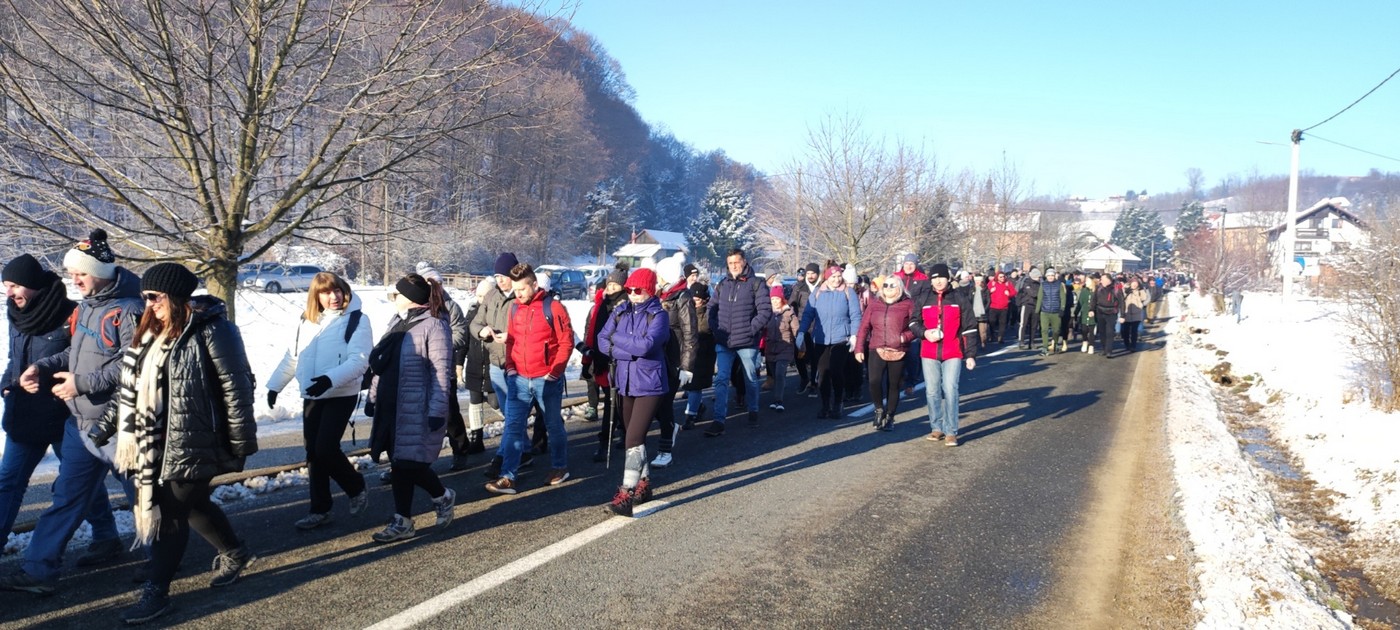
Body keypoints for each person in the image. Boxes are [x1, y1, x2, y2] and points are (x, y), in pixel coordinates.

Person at [89, 263, 258, 624]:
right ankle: (235, 551)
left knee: (169, 513)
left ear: (177, 296)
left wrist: (241, 442)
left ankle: (157, 592)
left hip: (196, 439)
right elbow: (128, 388)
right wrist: (103, 428)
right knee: (193, 506)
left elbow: (236, 386)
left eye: (155, 297)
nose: (149, 304)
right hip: (154, 442)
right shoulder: (150, 333)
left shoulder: (213, 330)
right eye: (145, 297)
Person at [2, 231, 143, 595]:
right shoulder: (89, 306)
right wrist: (38, 369)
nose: (74, 280)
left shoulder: (130, 310)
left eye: (80, 273)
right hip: (80, 422)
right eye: (71, 273)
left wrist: (82, 384)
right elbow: (72, 355)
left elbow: (136, 366)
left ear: (98, 270)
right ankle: (38, 570)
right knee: (66, 496)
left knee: (142, 494)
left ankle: (161, 560)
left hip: (117, 422)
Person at [265, 272, 371, 530]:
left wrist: (330, 379)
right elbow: (293, 356)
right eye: (326, 292)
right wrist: (275, 385)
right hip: (313, 393)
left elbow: (359, 361)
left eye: (337, 291)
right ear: (316, 296)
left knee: (325, 448)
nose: (333, 297)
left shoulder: (357, 319)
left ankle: (355, 486)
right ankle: (320, 509)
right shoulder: (307, 320)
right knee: (313, 453)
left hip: (341, 393)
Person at [364, 274, 455, 543]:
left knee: (407, 464)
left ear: (411, 298)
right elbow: (382, 366)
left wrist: (437, 411)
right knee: (399, 464)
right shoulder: (398, 322)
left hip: (415, 407)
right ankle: (420, 509)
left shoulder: (434, 326)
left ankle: (429, 504)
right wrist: (373, 397)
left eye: (398, 294)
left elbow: (441, 372)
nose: (394, 298)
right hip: (391, 406)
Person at [0, 255, 81, 543]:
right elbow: (14, 358)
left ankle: (106, 536)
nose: (8, 293)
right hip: (24, 412)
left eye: (14, 286)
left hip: (65, 413)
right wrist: (7, 385)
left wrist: (47, 373)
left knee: (76, 483)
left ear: (32, 284)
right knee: (8, 482)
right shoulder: (15, 314)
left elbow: (83, 358)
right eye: (6, 286)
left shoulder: (70, 313)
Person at [485, 263, 574, 494]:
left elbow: (566, 342)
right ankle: (508, 477)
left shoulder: (553, 308)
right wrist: (511, 369)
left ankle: (559, 467)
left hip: (547, 379)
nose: (518, 294)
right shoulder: (515, 308)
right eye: (515, 290)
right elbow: (512, 340)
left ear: (534, 285)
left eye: (522, 289)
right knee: (513, 427)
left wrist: (554, 372)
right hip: (519, 379)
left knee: (553, 425)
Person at [597, 268, 670, 517]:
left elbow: (648, 346)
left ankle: (626, 494)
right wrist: (626, 347)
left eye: (637, 290)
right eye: (629, 290)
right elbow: (602, 339)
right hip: (625, 381)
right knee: (633, 436)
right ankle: (644, 483)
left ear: (649, 291)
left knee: (633, 438)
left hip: (650, 384)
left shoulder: (658, 315)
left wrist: (618, 342)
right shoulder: (620, 311)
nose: (632, 294)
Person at [469, 252, 535, 478]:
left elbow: (532, 329)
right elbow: (476, 322)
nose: (500, 280)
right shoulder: (491, 297)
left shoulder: (521, 297)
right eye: (496, 276)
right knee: (510, 415)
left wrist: (512, 336)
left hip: (517, 364)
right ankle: (524, 451)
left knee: (515, 415)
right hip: (496, 364)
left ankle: (502, 458)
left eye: (503, 275)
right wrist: (482, 331)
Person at [704, 249, 772, 437]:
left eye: (737, 262)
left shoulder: (756, 283)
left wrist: (750, 330)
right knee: (721, 379)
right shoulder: (722, 284)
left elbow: (765, 311)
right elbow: (711, 309)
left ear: (744, 262)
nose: (734, 266)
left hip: (747, 342)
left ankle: (753, 411)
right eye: (730, 263)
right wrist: (716, 329)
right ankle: (719, 420)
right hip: (724, 341)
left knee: (750, 378)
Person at [416, 262, 476, 471]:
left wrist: (441, 345)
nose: (437, 287)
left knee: (449, 414)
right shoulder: (415, 306)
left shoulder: (450, 306)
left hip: (444, 370)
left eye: (439, 283)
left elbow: (461, 332)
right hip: (420, 371)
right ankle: (419, 460)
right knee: (420, 418)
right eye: (432, 283)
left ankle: (460, 449)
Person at [911, 264, 979, 447]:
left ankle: (951, 431)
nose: (938, 281)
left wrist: (970, 355)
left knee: (950, 389)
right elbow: (913, 322)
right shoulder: (924, 298)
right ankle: (936, 427)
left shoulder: (959, 298)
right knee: (932, 391)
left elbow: (970, 327)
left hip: (953, 351)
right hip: (929, 351)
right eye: (934, 278)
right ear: (930, 280)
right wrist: (924, 333)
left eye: (941, 277)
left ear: (948, 278)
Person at [796, 265, 863, 419]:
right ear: (826, 277)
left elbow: (855, 315)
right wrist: (801, 332)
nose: (836, 279)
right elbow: (808, 314)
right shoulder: (818, 292)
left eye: (839, 276)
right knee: (823, 373)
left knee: (836, 370)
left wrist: (854, 335)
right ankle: (826, 404)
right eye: (833, 277)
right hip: (821, 339)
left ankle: (838, 403)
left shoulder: (848, 292)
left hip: (841, 339)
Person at [650, 255, 696, 468]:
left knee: (664, 404)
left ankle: (665, 448)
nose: (657, 277)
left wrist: (686, 367)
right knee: (654, 405)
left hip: (674, 360)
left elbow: (690, 333)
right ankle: (671, 429)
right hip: (657, 358)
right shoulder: (660, 295)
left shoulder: (682, 297)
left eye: (660, 274)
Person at [854, 275, 914, 431]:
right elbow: (864, 327)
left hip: (898, 350)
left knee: (893, 385)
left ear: (899, 287)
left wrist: (903, 337)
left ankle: (890, 417)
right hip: (877, 347)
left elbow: (916, 326)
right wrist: (859, 348)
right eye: (885, 285)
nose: (888, 288)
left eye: (892, 285)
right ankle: (879, 409)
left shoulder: (908, 304)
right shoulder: (874, 304)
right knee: (874, 381)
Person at [582, 266, 628, 461]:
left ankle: (608, 441)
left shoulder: (626, 306)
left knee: (616, 404)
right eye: (609, 285)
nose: (610, 289)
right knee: (612, 403)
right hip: (602, 361)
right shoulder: (601, 306)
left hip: (620, 362)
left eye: (615, 285)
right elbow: (592, 333)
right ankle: (614, 436)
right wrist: (587, 359)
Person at [460, 279, 497, 461]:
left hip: (492, 365)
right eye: (479, 295)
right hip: (474, 364)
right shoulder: (472, 313)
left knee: (495, 400)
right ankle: (476, 438)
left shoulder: (497, 312)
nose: (480, 298)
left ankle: (515, 430)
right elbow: (464, 340)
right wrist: (459, 364)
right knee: (474, 402)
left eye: (484, 295)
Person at [682, 283, 715, 429]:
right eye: (692, 299)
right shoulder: (684, 310)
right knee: (688, 385)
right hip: (686, 352)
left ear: (704, 299)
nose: (694, 302)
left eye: (697, 299)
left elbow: (705, 329)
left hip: (703, 354)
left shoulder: (709, 313)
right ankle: (698, 406)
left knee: (695, 386)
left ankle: (691, 415)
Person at [763, 285, 799, 413]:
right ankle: (778, 393)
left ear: (782, 299)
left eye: (777, 298)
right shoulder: (767, 313)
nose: (775, 301)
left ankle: (778, 400)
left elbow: (796, 330)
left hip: (785, 347)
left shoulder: (789, 313)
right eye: (772, 299)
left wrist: (801, 347)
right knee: (775, 375)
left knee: (779, 373)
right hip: (770, 348)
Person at [788, 263, 820, 393]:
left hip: (819, 326)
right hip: (803, 325)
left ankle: (813, 381)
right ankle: (804, 378)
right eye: (808, 273)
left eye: (813, 273)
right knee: (798, 354)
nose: (811, 276)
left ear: (818, 274)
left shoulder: (823, 287)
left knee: (815, 356)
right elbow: (792, 304)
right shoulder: (799, 287)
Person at [1092, 272, 1123, 358]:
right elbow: (1094, 299)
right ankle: (1104, 349)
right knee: (1102, 332)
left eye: (1102, 279)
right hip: (1100, 311)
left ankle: (1109, 351)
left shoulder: (1116, 289)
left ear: (1108, 280)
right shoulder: (1099, 288)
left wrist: (1122, 315)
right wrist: (1092, 309)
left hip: (1112, 312)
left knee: (1109, 332)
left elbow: (1122, 302)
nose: (1101, 281)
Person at [1035, 268, 1065, 356]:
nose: (1050, 277)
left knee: (1056, 330)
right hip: (1045, 311)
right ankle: (1045, 348)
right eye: (1049, 276)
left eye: (1052, 275)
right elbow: (1040, 298)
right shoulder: (1043, 285)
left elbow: (1063, 298)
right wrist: (1037, 310)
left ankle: (1055, 344)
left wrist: (1062, 309)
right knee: (1044, 330)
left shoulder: (1059, 285)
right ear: (1046, 276)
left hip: (1056, 311)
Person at [1120, 276, 1150, 352]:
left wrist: (1142, 304)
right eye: (1133, 283)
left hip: (1137, 313)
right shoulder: (1125, 289)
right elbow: (1120, 298)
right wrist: (1126, 291)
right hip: (1126, 312)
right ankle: (1127, 344)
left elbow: (1145, 298)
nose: (1134, 285)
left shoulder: (1141, 290)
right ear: (1130, 283)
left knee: (1134, 331)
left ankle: (1133, 345)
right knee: (1125, 331)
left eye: (1136, 283)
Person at [1016, 267, 1042, 350]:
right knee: (1023, 324)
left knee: (1034, 325)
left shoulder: (1039, 284)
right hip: (1026, 305)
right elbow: (1033, 293)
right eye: (1038, 277)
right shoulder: (1026, 282)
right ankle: (1021, 341)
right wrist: (1039, 294)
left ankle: (1032, 342)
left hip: (1036, 305)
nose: (1039, 278)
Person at [986, 270, 1014, 345]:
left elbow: (1014, 292)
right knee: (992, 322)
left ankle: (1000, 337)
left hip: (1004, 307)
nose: (1002, 278)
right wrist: (990, 291)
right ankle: (992, 336)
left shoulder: (1007, 283)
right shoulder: (992, 283)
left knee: (1003, 323)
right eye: (1000, 277)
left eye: (1003, 277)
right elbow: (985, 291)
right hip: (993, 306)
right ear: (997, 277)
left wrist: (1009, 294)